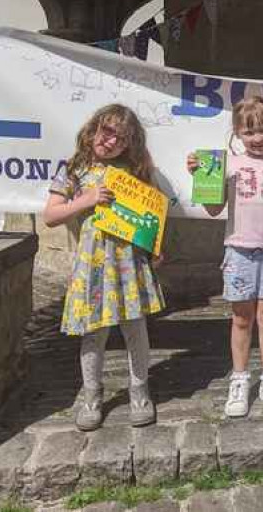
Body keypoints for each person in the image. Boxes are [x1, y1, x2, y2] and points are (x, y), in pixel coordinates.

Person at [44, 104, 166, 431]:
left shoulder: (136, 170)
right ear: (94, 128)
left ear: (129, 145)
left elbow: (151, 214)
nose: (111, 141)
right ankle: (92, 395)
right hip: (92, 263)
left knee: (135, 329)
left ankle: (140, 391)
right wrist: (86, 199)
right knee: (93, 332)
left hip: (129, 262)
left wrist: (154, 246)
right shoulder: (74, 169)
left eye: (121, 139)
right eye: (107, 131)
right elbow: (51, 216)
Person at [188, 96, 263, 418]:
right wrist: (200, 176)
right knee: (241, 318)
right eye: (249, 132)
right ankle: (240, 380)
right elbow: (213, 208)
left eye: (262, 130)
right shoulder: (227, 165)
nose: (257, 138)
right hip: (238, 250)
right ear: (237, 134)